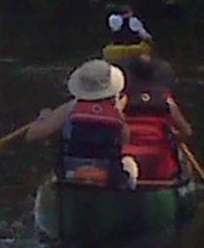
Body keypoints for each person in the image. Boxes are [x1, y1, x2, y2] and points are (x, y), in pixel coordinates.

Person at [23, 60, 137, 188]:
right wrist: (118, 112)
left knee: (50, 177)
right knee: (129, 162)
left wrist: (43, 118)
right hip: (108, 180)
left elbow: (31, 135)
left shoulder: (69, 109)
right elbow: (125, 140)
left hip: (70, 177)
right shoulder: (116, 115)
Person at [118, 54, 192, 182]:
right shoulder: (166, 99)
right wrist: (175, 137)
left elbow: (113, 121)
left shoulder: (123, 98)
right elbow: (186, 132)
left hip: (126, 163)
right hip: (161, 168)